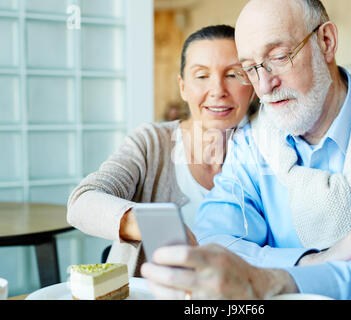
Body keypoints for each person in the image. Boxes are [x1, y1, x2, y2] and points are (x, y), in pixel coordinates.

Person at [140, 0, 351, 300]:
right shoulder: (253, 142)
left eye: (278, 57)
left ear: (326, 41)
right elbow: (214, 241)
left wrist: (267, 279)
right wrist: (314, 260)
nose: (264, 85)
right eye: (250, 68)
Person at [67, 25, 255, 276]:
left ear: (252, 84)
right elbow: (82, 203)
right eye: (201, 76)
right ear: (182, 87)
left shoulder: (267, 147)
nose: (218, 90)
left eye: (233, 74)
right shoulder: (151, 142)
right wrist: (153, 225)